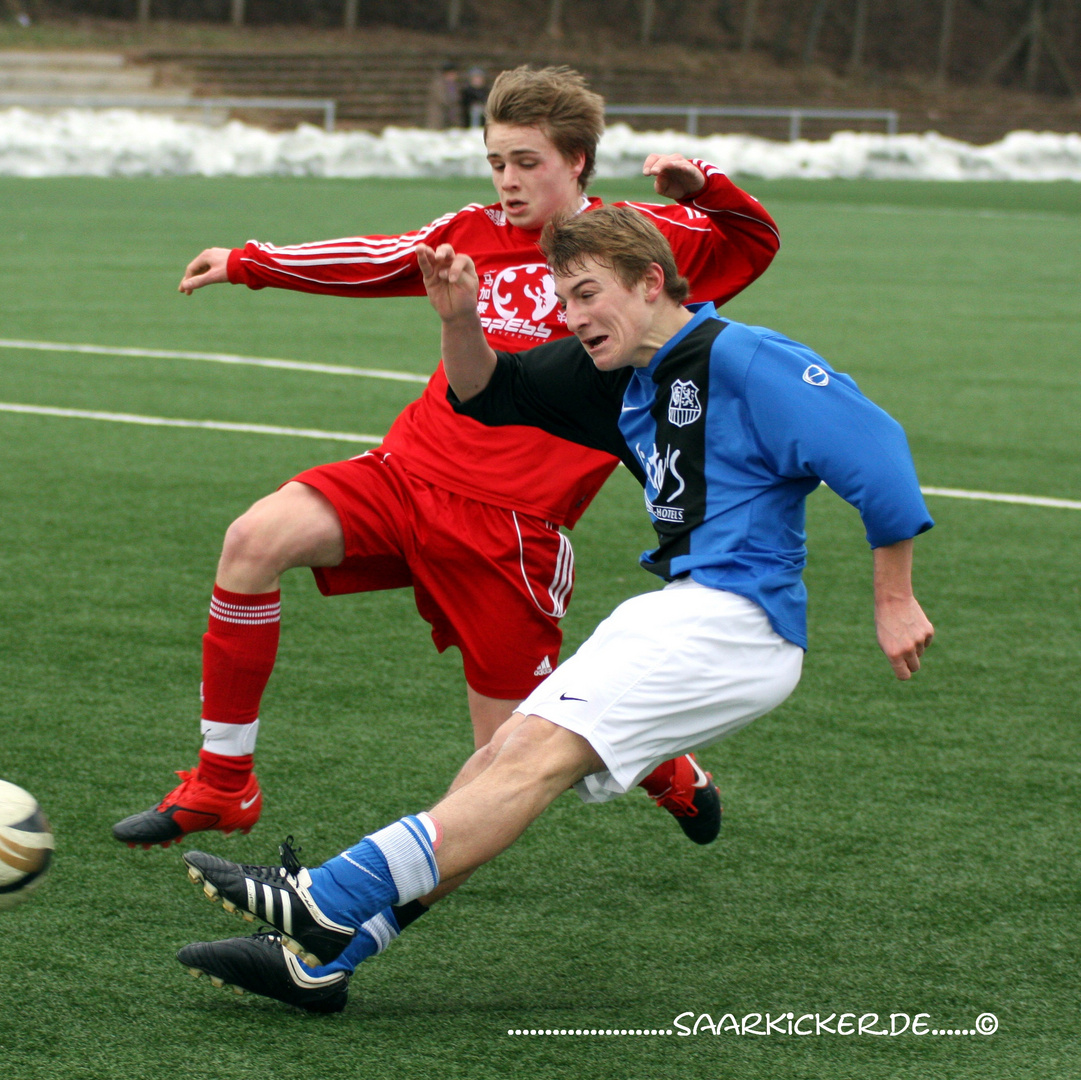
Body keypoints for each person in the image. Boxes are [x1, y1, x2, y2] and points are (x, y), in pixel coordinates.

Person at [173, 204, 935, 1011]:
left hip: (736, 624)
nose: (570, 317)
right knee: (498, 764)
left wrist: (893, 599)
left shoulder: (739, 356)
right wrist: (459, 317)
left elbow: (875, 449)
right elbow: (483, 390)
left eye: (585, 294)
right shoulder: (609, 373)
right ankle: (323, 961)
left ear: (649, 283)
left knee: (529, 758)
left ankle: (325, 898)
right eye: (561, 299)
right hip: (679, 611)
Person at [113, 66, 782, 858]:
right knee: (253, 540)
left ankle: (661, 766)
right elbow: (380, 257)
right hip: (406, 473)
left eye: (526, 161)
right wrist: (252, 262)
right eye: (496, 161)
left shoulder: (639, 245)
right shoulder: (471, 233)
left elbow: (753, 240)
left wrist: (700, 185)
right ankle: (222, 786)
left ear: (576, 161)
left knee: (501, 766)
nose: (507, 180)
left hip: (511, 529)